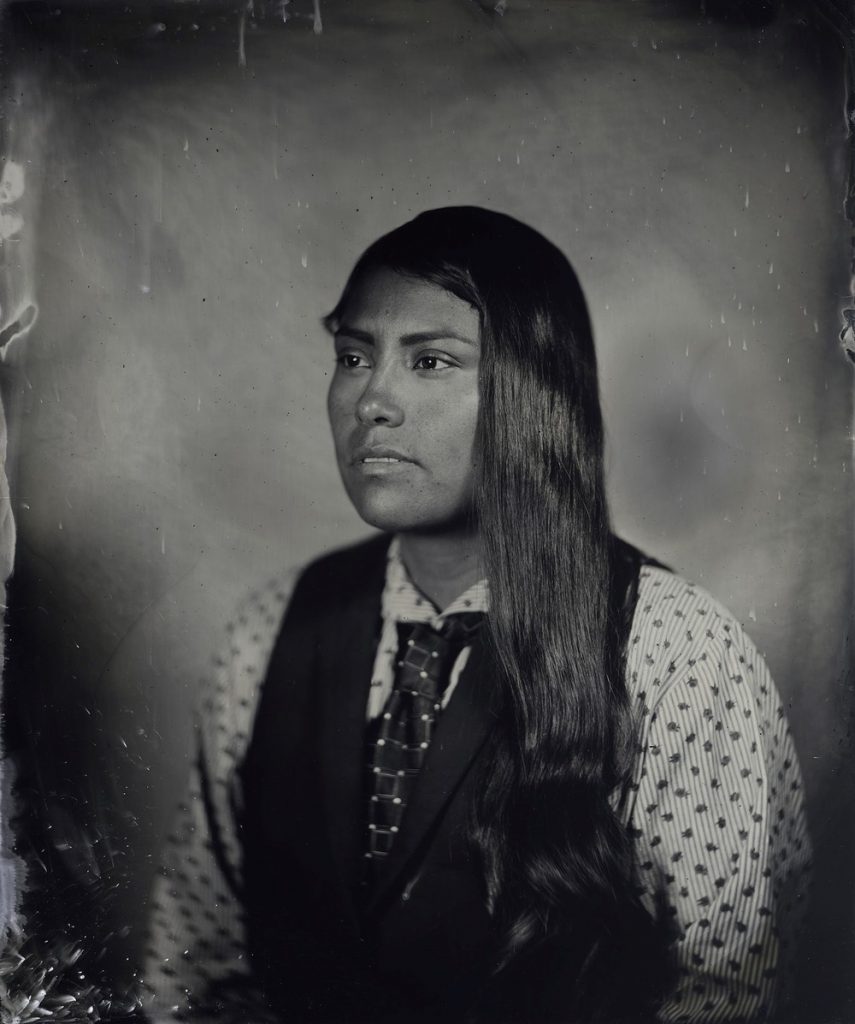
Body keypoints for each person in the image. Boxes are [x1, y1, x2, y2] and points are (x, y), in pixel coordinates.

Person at [144, 207, 811, 1023]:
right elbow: (193, 964)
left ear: (531, 394)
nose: (372, 400)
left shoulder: (674, 652)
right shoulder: (271, 630)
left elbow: (727, 992)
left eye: (430, 360)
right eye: (353, 355)